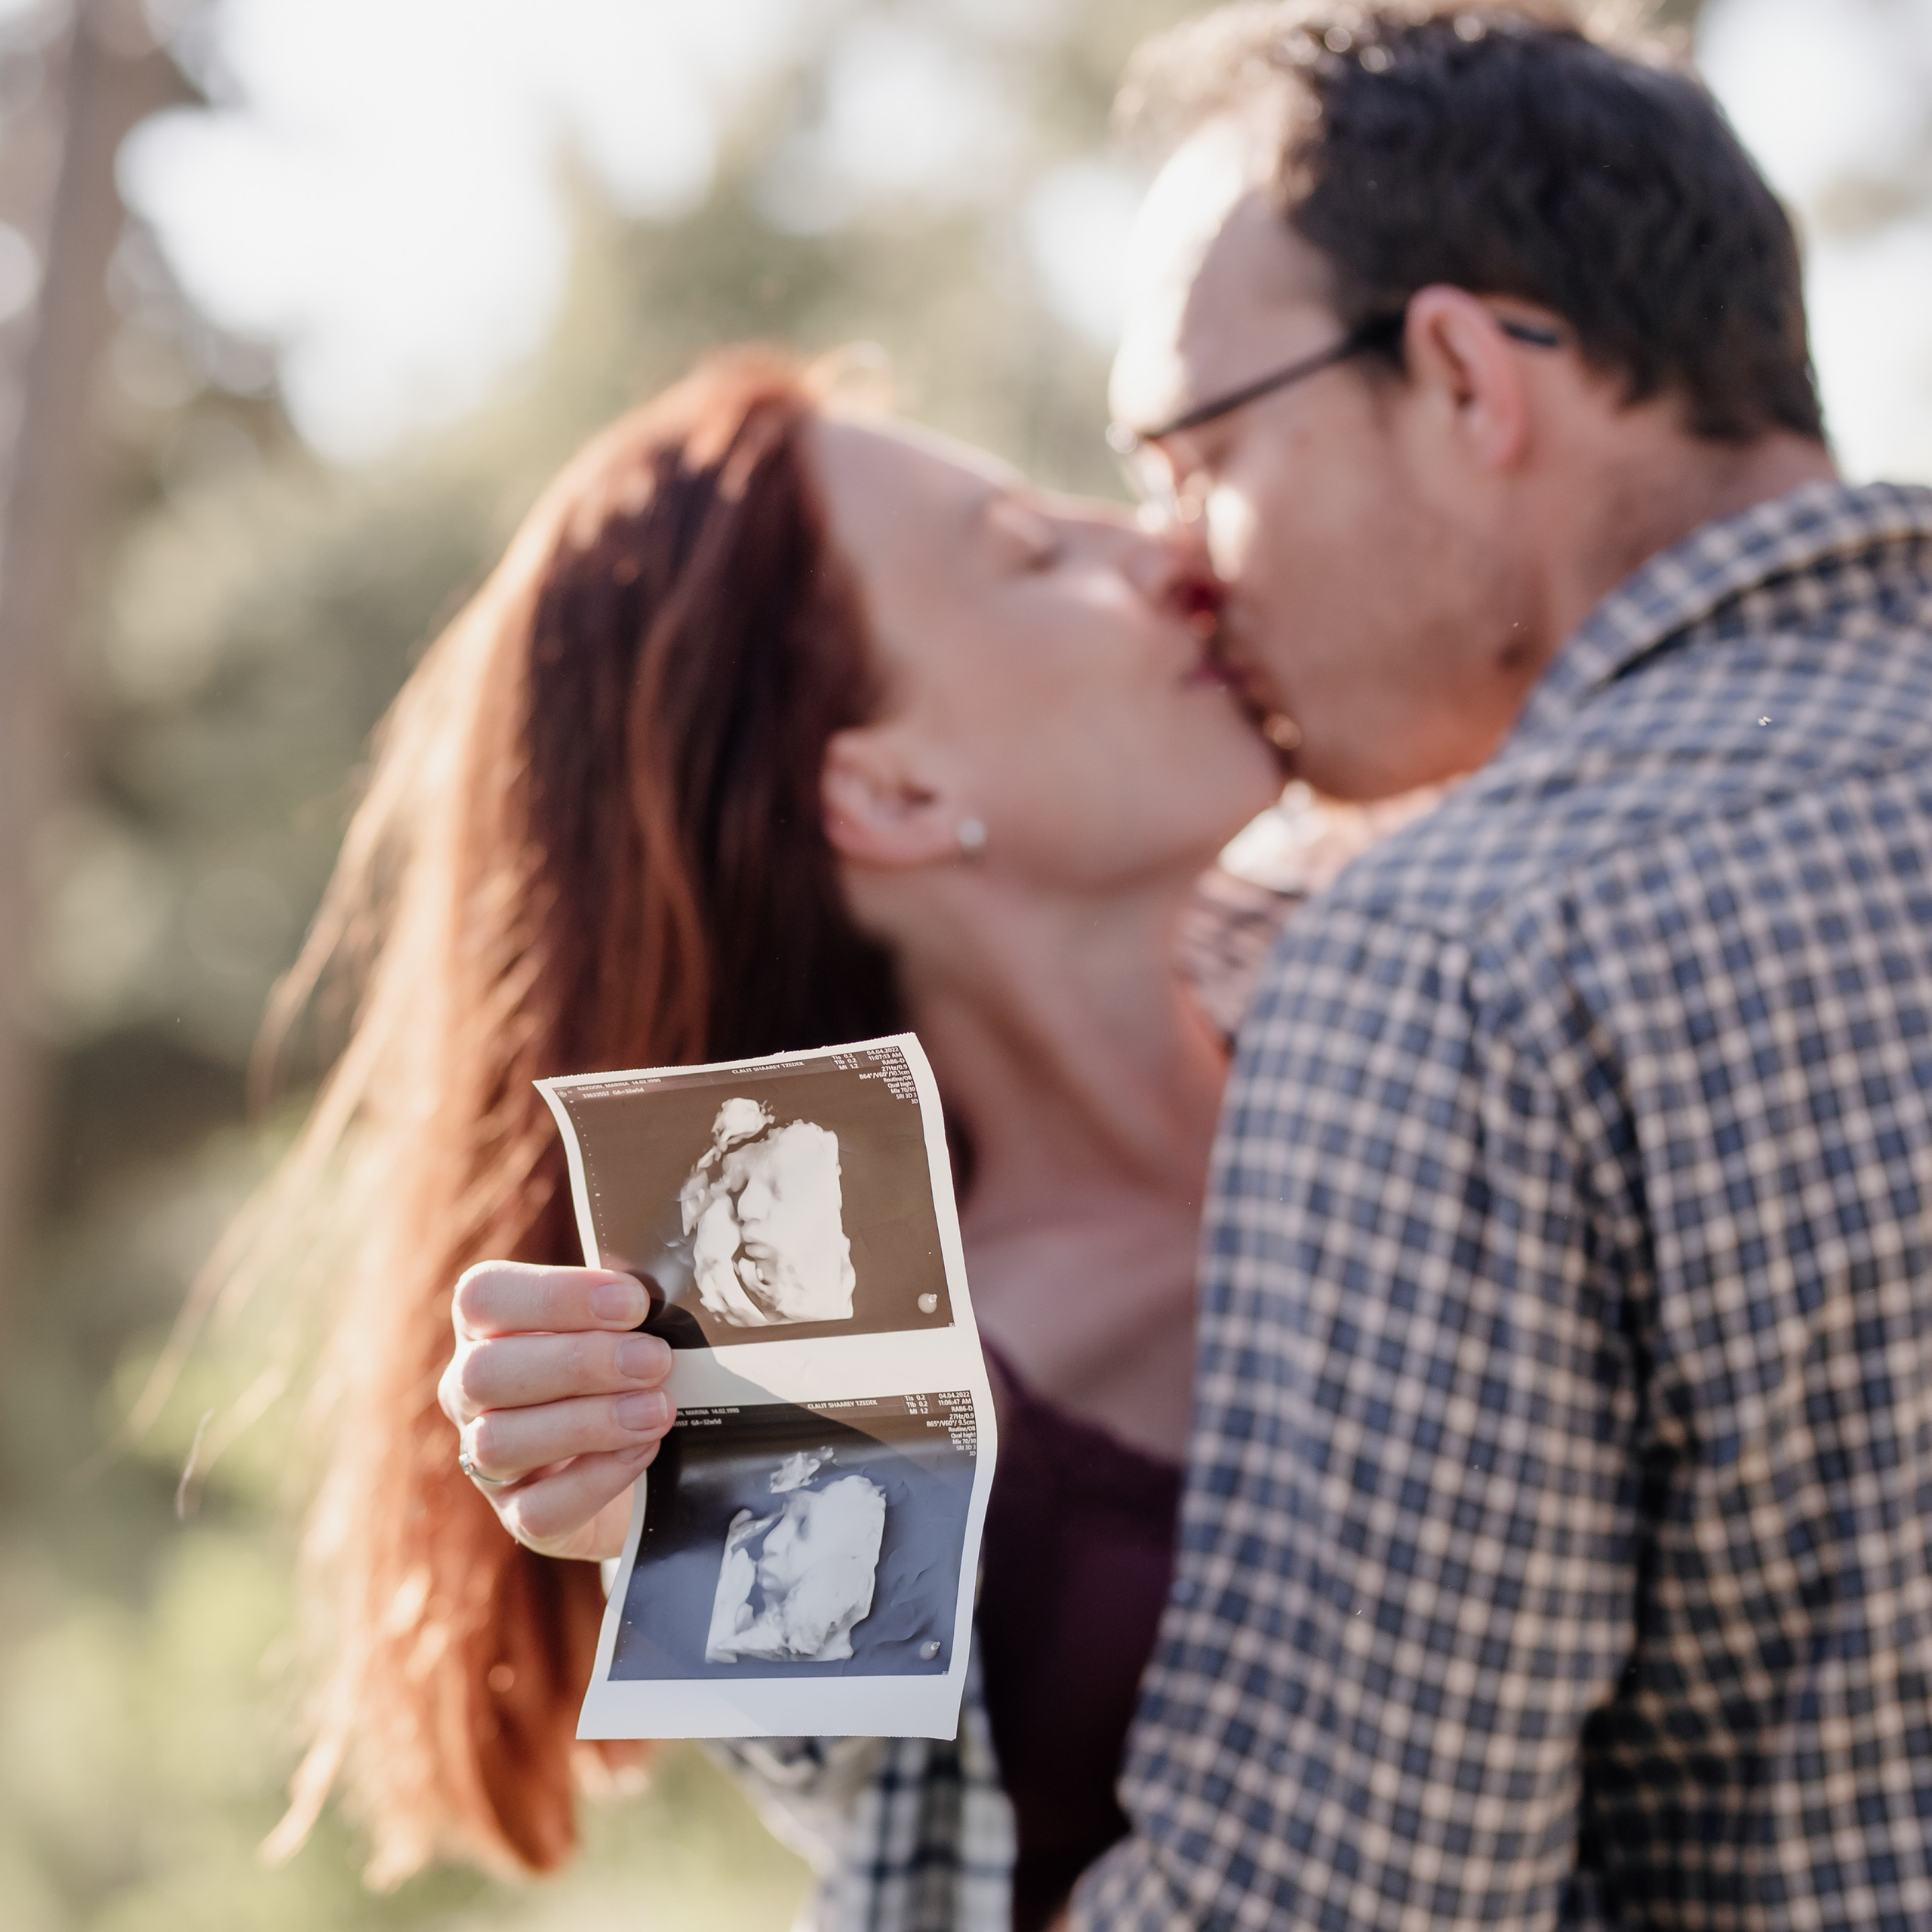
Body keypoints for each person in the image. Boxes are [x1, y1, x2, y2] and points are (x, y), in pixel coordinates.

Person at [1079, 3, 1932, 1927]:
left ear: (1464, 374)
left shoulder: (1462, 960)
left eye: (1196, 450)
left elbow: (1338, 1900)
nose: (1172, 560)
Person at [257, 345, 1296, 1923]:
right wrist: (660, 1511)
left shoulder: (1435, 971)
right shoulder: (812, 1346)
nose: (1162, 548)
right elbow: (847, 1772)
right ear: (890, 791)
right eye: (1032, 552)